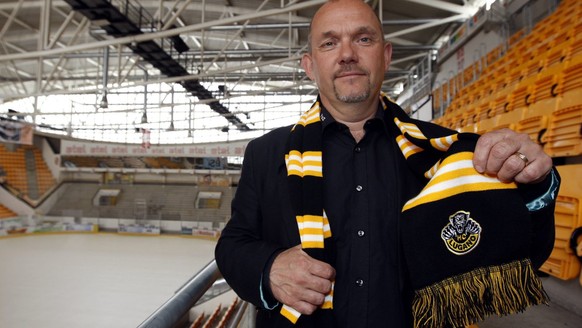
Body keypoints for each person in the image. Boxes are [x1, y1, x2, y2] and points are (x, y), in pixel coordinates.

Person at [215, 0, 558, 327]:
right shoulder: (266, 153)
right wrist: (269, 268)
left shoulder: (445, 154)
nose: (348, 54)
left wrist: (534, 184)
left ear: (386, 55)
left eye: (363, 39)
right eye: (330, 43)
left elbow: (523, 253)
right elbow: (233, 245)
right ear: (309, 66)